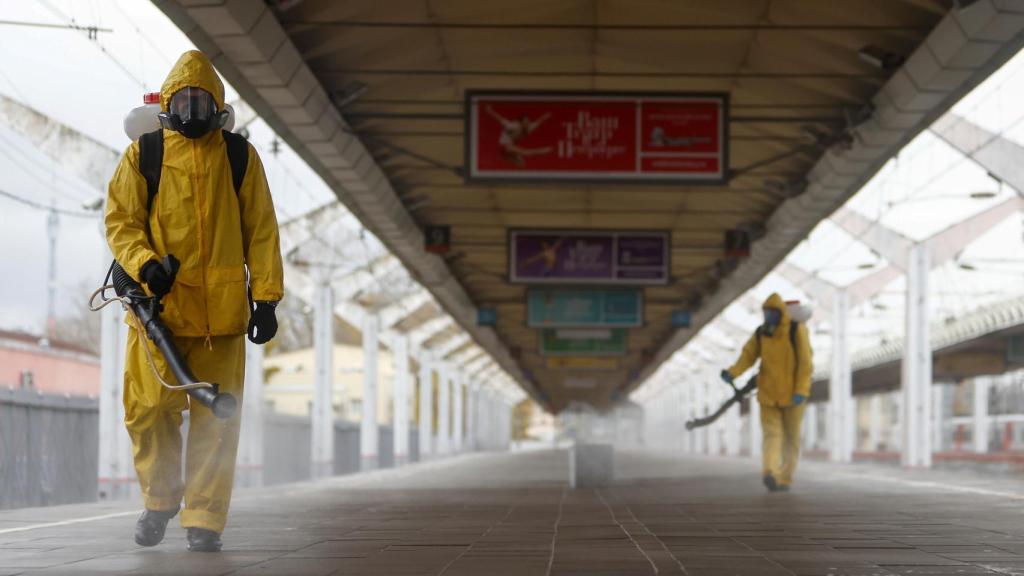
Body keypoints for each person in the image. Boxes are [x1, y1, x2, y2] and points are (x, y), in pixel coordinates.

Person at [105, 50, 283, 552]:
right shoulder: (145, 154)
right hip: (156, 314)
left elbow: (262, 231)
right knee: (147, 411)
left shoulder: (240, 157)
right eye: (183, 99)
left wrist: (265, 299)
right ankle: (160, 501)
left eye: (201, 99)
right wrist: (145, 265)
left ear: (217, 105)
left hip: (222, 319)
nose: (191, 108)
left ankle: (203, 518)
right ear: (167, 103)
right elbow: (121, 222)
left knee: (216, 422)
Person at [721, 293, 812, 492]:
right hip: (768, 394)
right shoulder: (761, 333)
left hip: (793, 396)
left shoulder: (796, 330)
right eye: (765, 313)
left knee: (791, 438)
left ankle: (785, 478)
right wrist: (732, 372)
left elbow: (805, 364)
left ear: (780, 312)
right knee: (772, 435)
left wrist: (801, 389)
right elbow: (748, 357)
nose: (768, 317)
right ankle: (770, 472)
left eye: (771, 313)